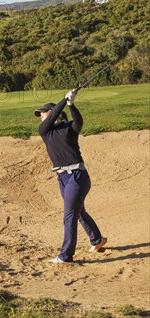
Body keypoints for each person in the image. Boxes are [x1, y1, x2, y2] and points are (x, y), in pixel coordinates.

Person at [34, 89, 107, 263]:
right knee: (78, 212)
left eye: (43, 113)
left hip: (77, 176)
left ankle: (66, 255)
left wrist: (71, 104)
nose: (41, 116)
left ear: (53, 113)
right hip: (62, 178)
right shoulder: (45, 131)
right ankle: (97, 239)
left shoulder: (69, 128)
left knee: (69, 216)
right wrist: (64, 100)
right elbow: (50, 119)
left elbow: (79, 122)